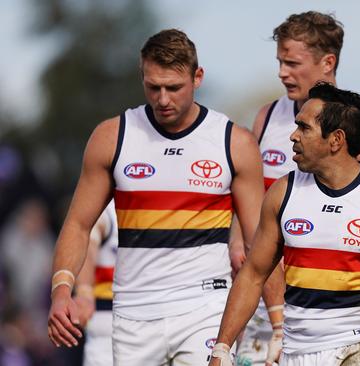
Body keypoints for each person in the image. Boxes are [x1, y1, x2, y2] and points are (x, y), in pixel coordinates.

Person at [46, 29, 264, 365]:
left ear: (198, 77)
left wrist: (276, 321)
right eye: (153, 87)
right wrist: (62, 290)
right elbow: (77, 225)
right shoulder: (112, 137)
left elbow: (262, 245)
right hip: (134, 314)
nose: (163, 99)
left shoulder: (234, 143)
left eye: (174, 88)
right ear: (142, 78)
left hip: (205, 309)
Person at [208, 82, 360, 366]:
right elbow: (253, 276)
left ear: (336, 140)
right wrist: (222, 348)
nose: (293, 136)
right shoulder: (283, 192)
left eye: (304, 128)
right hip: (296, 353)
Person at [235, 11, 360, 365]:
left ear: (328, 62)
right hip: (261, 308)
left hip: (338, 325)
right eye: (280, 61)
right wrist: (238, 240)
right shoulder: (266, 117)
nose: (282, 72)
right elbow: (246, 199)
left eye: (292, 63)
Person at [72, 200, 118, 366]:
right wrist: (84, 290)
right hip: (107, 327)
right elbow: (86, 247)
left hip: (150, 324)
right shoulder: (107, 212)